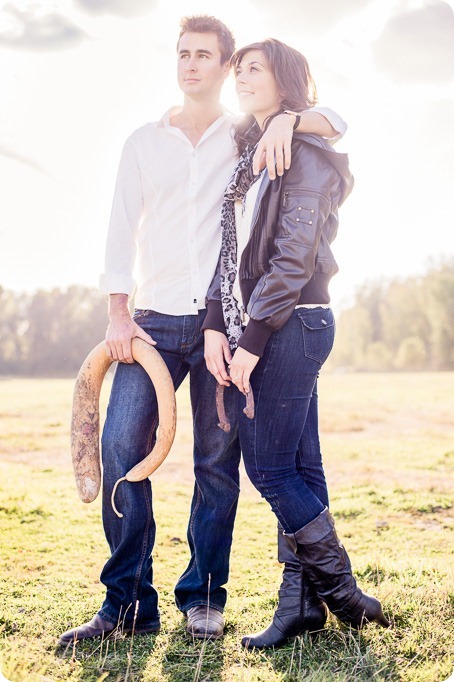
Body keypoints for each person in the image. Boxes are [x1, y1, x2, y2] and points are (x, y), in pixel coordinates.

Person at [59, 16, 346, 645]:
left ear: (224, 67)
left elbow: (336, 123)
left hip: (222, 324)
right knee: (120, 452)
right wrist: (116, 309)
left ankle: (204, 598)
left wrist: (287, 119)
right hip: (151, 322)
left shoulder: (246, 137)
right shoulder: (142, 141)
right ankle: (127, 602)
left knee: (218, 465)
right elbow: (118, 226)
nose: (191, 65)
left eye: (206, 56)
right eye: (182, 54)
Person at [202, 38, 390, 649]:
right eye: (239, 71)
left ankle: (342, 594)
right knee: (302, 467)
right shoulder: (248, 149)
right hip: (267, 322)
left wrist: (252, 339)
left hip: (293, 321)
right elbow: (228, 251)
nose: (241, 79)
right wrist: (215, 320)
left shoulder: (302, 149)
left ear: (285, 80)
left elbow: (292, 257)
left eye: (254, 69)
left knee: (270, 467)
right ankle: (301, 606)